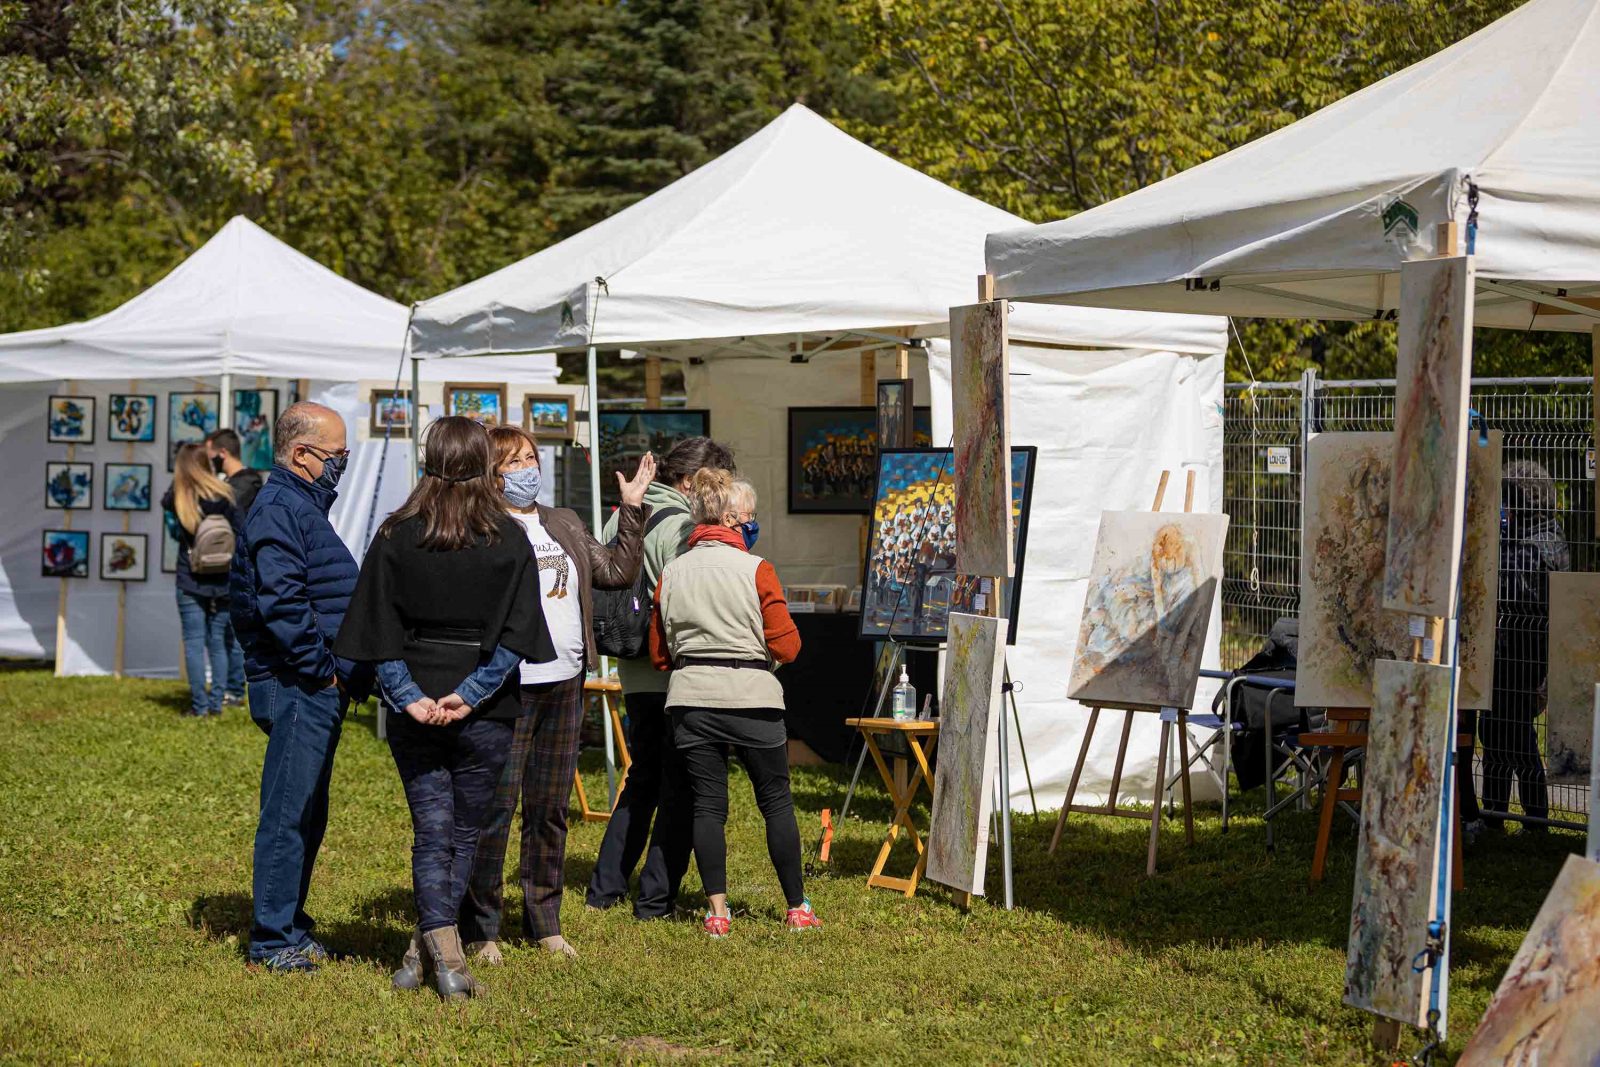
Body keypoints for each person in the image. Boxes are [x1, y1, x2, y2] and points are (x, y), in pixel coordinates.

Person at [336, 416, 554, 999]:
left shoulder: (395, 534)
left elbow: (376, 628)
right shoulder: (507, 537)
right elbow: (519, 633)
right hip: (484, 708)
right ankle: (449, 961)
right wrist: (471, 693)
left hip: (417, 703)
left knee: (434, 832)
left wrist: (409, 697)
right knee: (461, 835)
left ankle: (423, 949)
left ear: (428, 458)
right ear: (485, 463)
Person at [457, 425, 651, 963]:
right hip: (507, 686)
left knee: (549, 808)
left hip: (564, 680)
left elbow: (615, 570)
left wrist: (631, 511)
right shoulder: (481, 527)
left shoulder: (561, 521)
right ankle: (482, 927)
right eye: (513, 461)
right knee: (497, 807)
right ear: (490, 471)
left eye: (530, 458)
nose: (526, 470)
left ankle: (545, 921)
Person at [648, 468, 820, 936]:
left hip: (691, 699)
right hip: (752, 695)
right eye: (748, 516)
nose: (752, 523)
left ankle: (717, 913)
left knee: (708, 805)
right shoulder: (757, 569)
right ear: (728, 518)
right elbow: (788, 647)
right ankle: (796, 907)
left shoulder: (672, 572)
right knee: (776, 802)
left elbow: (659, 654)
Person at [233, 401, 371, 973]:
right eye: (338, 455)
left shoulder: (300, 505)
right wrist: (323, 669)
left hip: (312, 683)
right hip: (297, 685)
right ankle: (271, 940)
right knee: (289, 812)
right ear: (300, 454)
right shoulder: (280, 509)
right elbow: (282, 604)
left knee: (309, 810)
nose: (343, 463)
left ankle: (291, 924)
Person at [584, 437, 738, 919]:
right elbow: (690, 597)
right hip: (674, 673)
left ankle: (605, 887)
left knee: (643, 780)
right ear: (690, 482)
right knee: (684, 787)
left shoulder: (625, 514)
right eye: (717, 484)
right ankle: (655, 896)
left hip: (633, 671)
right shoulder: (680, 526)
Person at [1483, 459, 1567, 829]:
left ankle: (1526, 819)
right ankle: (1498, 814)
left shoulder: (1535, 544)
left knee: (1513, 735)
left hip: (1521, 652)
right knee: (1501, 733)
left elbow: (1509, 589)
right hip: (1521, 651)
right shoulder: (1545, 535)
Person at [162, 443, 239, 717]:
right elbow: (239, 533)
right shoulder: (225, 494)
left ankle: (199, 706)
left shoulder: (177, 497)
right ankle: (217, 704)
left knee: (194, 641)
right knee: (217, 641)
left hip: (190, 576)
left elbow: (170, 522)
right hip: (224, 578)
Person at [205, 427, 263, 704]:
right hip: (233, 565)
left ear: (223, 453)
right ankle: (233, 687)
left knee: (231, 630)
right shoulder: (244, 483)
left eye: (211, 454)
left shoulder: (240, 487)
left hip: (238, 567)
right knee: (227, 630)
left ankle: (236, 689)